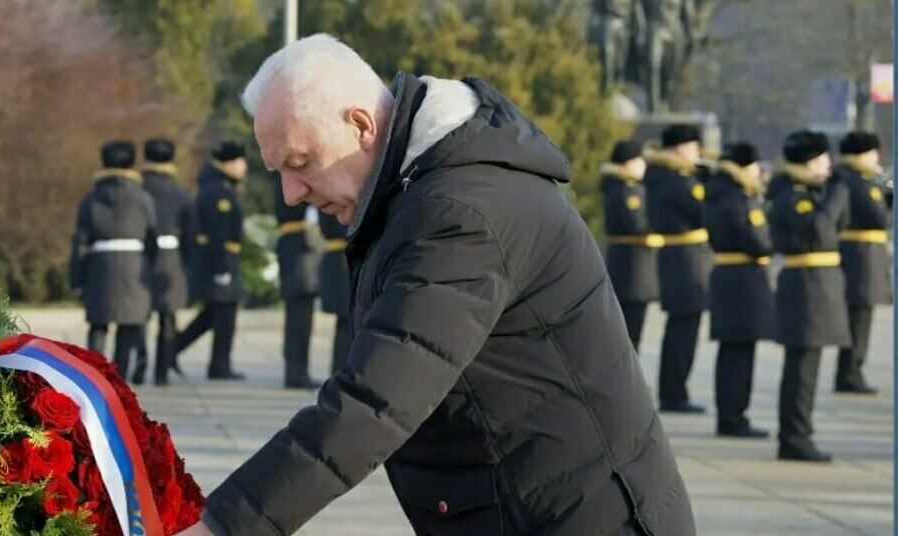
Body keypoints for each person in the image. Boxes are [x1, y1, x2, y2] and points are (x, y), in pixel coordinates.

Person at [181, 33, 694, 536]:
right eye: (278, 172)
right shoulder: (416, 191)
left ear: (361, 125)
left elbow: (373, 402)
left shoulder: (461, 212)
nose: (291, 194)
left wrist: (223, 526)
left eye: (300, 163)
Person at [768, 130, 851, 462]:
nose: (828, 164)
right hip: (805, 286)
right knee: (801, 369)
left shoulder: (812, 191)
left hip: (819, 283)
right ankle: (794, 436)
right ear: (809, 161)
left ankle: (799, 432)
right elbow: (818, 229)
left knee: (808, 367)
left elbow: (837, 227)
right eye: (822, 158)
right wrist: (837, 194)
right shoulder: (791, 193)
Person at [68, 140, 157, 382]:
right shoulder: (143, 198)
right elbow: (152, 239)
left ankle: (94, 376)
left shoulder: (91, 198)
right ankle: (119, 379)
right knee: (128, 326)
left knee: (98, 324)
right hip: (134, 265)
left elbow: (80, 242)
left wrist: (76, 277)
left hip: (100, 266)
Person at [704, 142, 774, 438]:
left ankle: (729, 415)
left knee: (730, 352)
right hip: (743, 280)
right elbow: (758, 241)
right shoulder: (739, 198)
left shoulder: (717, 193)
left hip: (726, 277)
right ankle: (735, 417)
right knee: (740, 354)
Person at [644, 123, 713, 414]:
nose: (697, 152)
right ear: (680, 148)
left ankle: (675, 390)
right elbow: (702, 213)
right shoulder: (676, 180)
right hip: (686, 259)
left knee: (683, 326)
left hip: (682, 257)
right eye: (693, 147)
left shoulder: (663, 176)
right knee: (683, 328)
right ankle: (674, 393)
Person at [174, 142, 248, 381]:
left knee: (212, 315)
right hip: (220, 261)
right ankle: (219, 365)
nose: (244, 168)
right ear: (229, 164)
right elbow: (217, 233)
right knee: (224, 315)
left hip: (219, 259)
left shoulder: (217, 185)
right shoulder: (219, 191)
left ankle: (171, 350)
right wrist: (221, 269)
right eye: (241, 163)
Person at [832, 131, 891, 394]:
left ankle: (850, 370)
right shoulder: (857, 182)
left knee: (859, 317)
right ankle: (850, 372)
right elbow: (880, 217)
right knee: (859, 317)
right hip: (861, 257)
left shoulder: (852, 179)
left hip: (860, 254)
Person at [141, 138, 195, 386]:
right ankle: (161, 372)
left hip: (141, 256)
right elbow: (191, 233)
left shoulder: (139, 189)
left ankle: (139, 364)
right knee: (168, 317)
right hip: (171, 257)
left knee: (139, 317)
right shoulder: (180, 193)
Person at [600, 139, 660, 351]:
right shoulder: (628, 191)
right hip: (633, 267)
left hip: (627, 264)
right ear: (629, 163)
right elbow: (638, 223)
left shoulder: (615, 186)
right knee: (630, 328)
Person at [273, 173, 321, 389]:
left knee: (300, 313)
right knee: (299, 315)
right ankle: (296, 372)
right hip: (298, 247)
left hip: (295, 246)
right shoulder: (292, 175)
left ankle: (297, 370)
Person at [318, 211, 352, 374]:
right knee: (348, 321)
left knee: (345, 322)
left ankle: (339, 371)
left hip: (337, 258)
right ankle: (342, 371)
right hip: (344, 260)